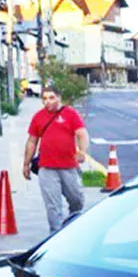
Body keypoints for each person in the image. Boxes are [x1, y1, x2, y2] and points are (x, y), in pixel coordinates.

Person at [23, 85, 90, 232]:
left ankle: (73, 226)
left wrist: (82, 152)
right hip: (47, 168)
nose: (48, 101)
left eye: (51, 98)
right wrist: (26, 164)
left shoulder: (70, 114)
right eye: (45, 99)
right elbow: (32, 141)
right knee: (53, 206)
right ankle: (56, 233)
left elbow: (82, 134)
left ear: (59, 98)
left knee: (77, 200)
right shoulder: (38, 117)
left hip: (69, 167)